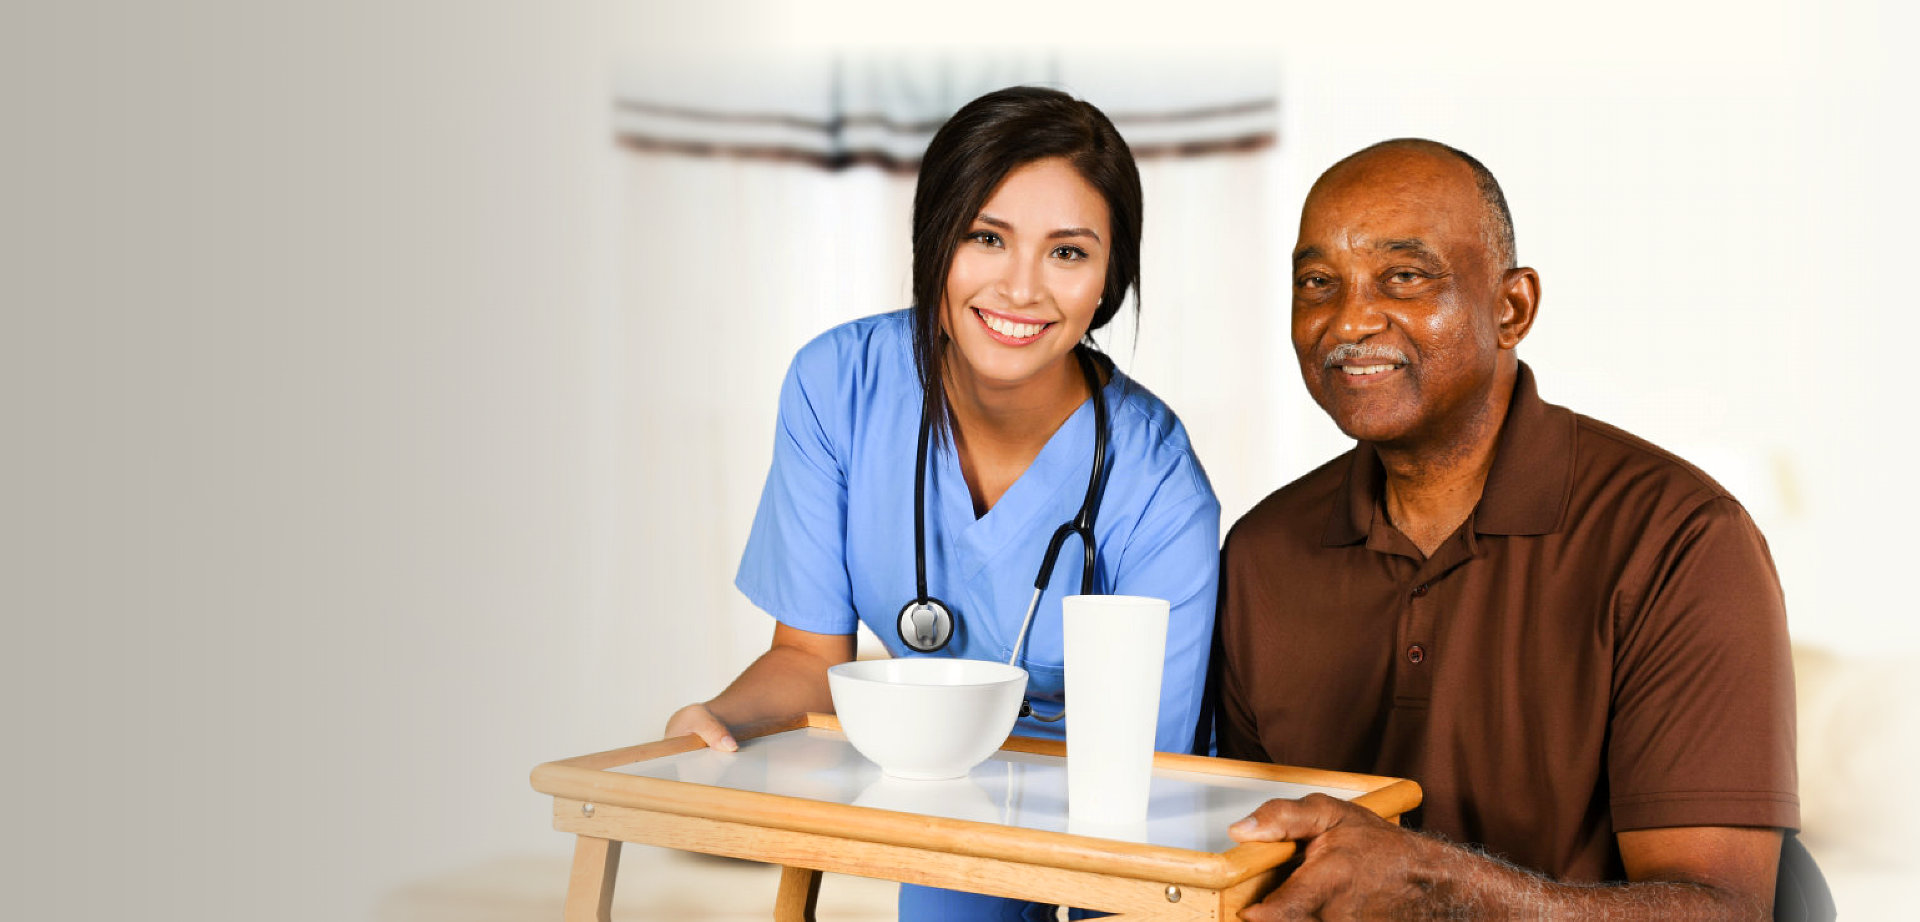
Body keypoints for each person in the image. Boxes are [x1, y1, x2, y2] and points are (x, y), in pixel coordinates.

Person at [666, 86, 1221, 921]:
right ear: (935, 240)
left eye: (1068, 253)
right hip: (951, 790)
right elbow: (810, 660)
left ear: (1109, 280)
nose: (1021, 287)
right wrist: (716, 720)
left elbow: (1152, 779)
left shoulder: (1157, 479)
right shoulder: (840, 386)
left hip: (1129, 812)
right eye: (985, 237)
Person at [1212, 139, 1798, 918]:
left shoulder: (1681, 541)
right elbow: (1247, 866)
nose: (1347, 319)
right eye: (1318, 282)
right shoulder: (1260, 553)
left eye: (1405, 276)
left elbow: (1725, 911)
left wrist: (1435, 889)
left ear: (1511, 308)